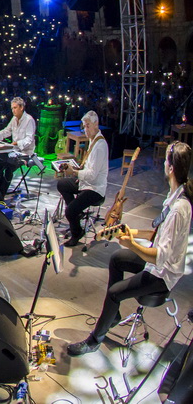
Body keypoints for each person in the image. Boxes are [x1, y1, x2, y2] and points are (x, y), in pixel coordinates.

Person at [68, 141, 192, 356]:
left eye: (165, 161)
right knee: (117, 258)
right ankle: (113, 316)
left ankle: (94, 340)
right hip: (159, 264)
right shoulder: (175, 196)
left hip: (163, 276)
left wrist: (132, 244)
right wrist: (131, 232)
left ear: (171, 168)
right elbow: (158, 235)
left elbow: (159, 258)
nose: (163, 164)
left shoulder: (179, 209)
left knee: (115, 294)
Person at [56, 111, 108, 247]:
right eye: (84, 126)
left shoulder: (100, 146)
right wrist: (75, 169)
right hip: (86, 183)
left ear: (96, 124)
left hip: (95, 189)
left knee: (69, 211)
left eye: (88, 126)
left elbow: (92, 176)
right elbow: (88, 169)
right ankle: (76, 215)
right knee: (62, 184)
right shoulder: (93, 141)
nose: (86, 129)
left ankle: (76, 232)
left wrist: (74, 172)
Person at [0, 97, 36, 200]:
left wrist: (17, 143)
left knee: (8, 168)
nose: (13, 110)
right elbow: (7, 131)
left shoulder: (29, 120)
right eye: (12, 108)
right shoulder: (14, 119)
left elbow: (29, 139)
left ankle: (0, 196)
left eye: (15, 108)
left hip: (25, 153)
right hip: (15, 151)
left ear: (21, 107)